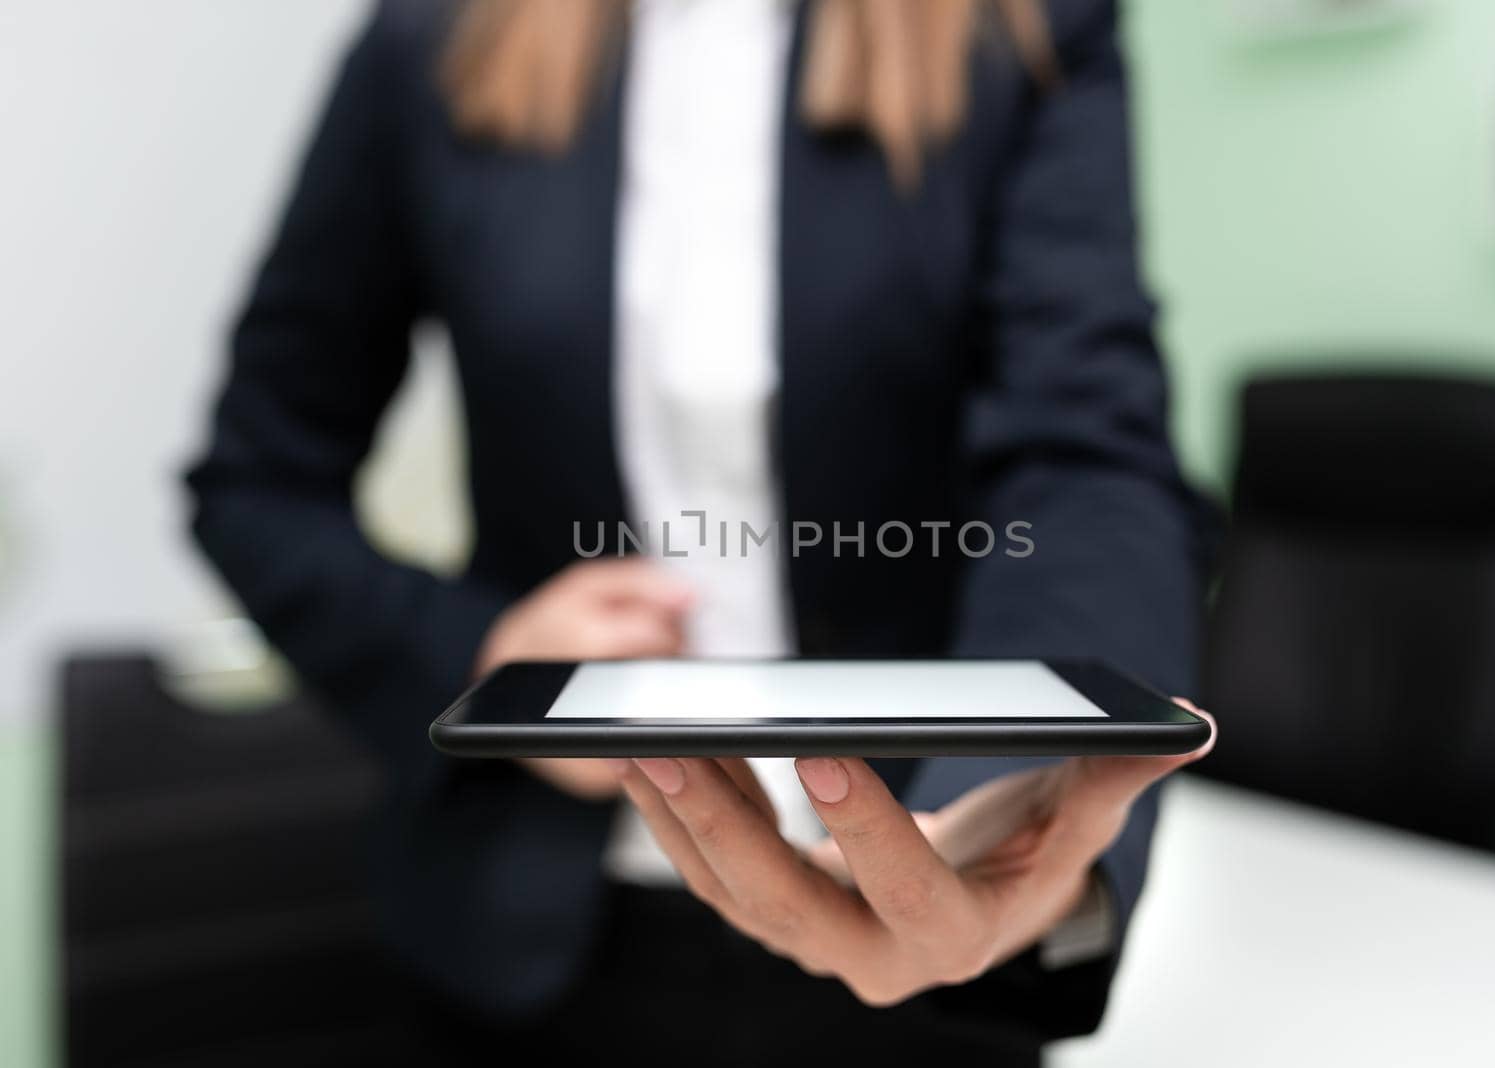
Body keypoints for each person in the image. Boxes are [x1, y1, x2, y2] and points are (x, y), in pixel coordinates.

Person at [186, 0, 1216, 1063]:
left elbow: (1089, 461)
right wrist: (484, 660)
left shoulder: (1022, 29)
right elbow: (257, 481)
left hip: (922, 935)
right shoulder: (432, 42)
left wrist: (1005, 800)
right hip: (541, 947)